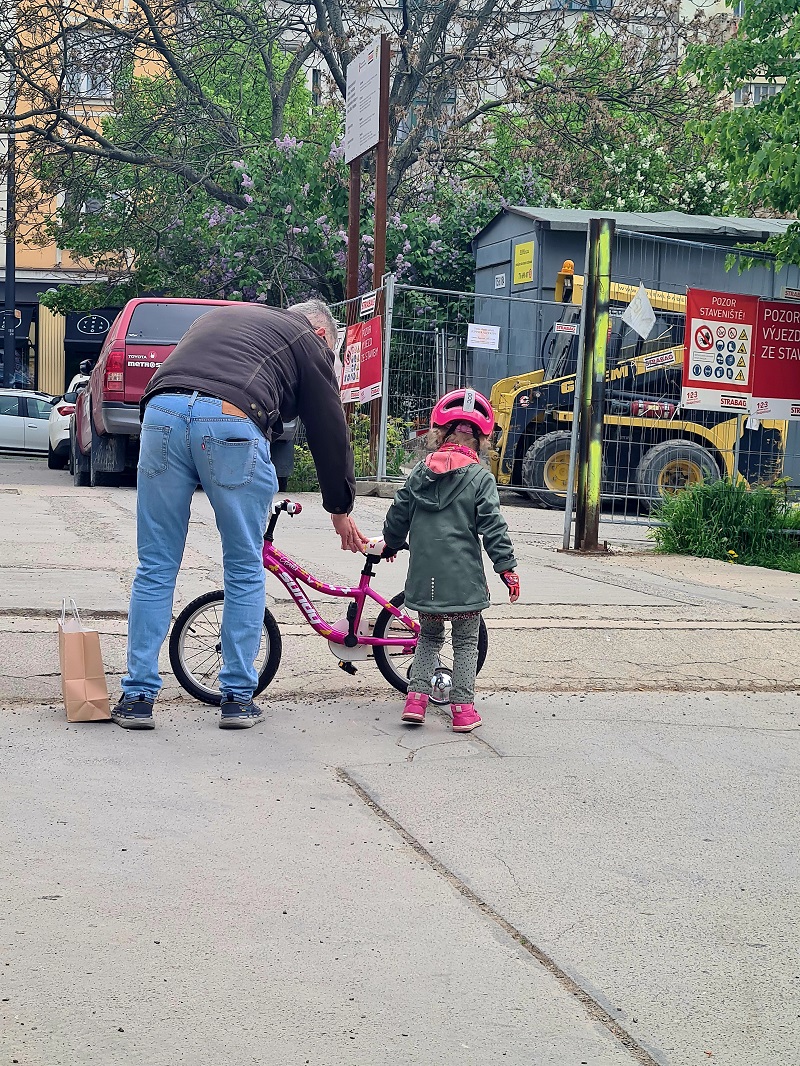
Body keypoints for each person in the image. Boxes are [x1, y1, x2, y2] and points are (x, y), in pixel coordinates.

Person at [112, 299, 365, 732]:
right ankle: (236, 697)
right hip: (231, 418)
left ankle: (137, 696)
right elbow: (328, 424)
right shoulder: (309, 339)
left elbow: (183, 371)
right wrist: (340, 506)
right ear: (323, 335)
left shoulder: (223, 316)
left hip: (160, 415)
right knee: (245, 565)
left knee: (154, 564)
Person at [382, 388, 519, 733]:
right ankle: (462, 709)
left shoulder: (417, 474)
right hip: (464, 579)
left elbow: (398, 512)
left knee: (428, 637)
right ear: (480, 440)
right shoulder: (481, 478)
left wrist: (392, 544)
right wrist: (506, 568)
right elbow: (493, 527)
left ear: (440, 432)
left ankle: (416, 701)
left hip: (424, 577)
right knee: (466, 640)